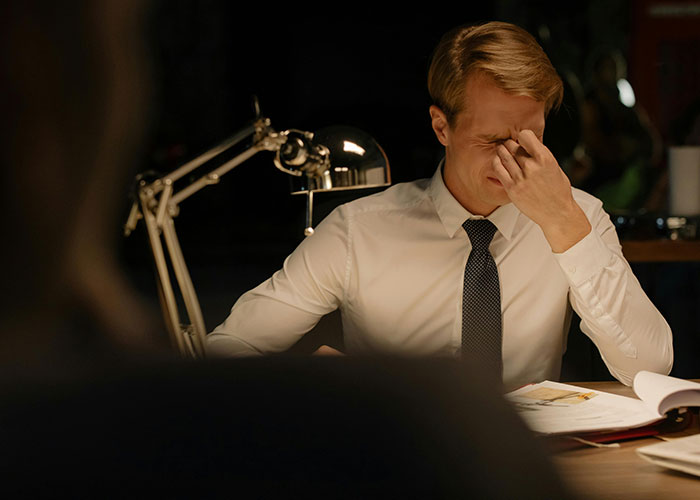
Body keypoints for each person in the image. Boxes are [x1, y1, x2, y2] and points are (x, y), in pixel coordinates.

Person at [207, 21, 673, 391]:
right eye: (491, 140)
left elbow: (648, 367)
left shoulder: (578, 217)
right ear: (441, 128)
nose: (512, 159)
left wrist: (564, 224)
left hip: (531, 464)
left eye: (529, 139)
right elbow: (228, 347)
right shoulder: (358, 230)